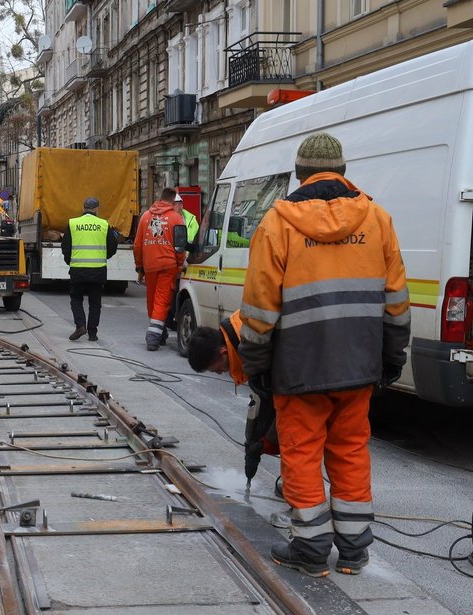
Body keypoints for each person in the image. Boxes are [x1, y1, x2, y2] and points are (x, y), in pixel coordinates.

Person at [240, 132, 410, 577]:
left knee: (301, 452)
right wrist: (392, 357)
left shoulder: (276, 224)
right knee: (351, 449)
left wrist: (256, 367)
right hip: (358, 365)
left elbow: (258, 309)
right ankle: (354, 551)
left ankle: (312, 551)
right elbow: (396, 301)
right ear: (343, 172)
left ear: (299, 175)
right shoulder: (378, 220)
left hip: (298, 368)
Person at [187, 310, 278, 490]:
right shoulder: (237, 329)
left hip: (313, 382)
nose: (221, 373)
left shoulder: (251, 350)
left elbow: (285, 407)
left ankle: (304, 504)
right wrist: (256, 439)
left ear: (223, 351)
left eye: (216, 369)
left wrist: (266, 441)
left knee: (297, 444)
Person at [133, 188, 186, 351]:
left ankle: (159, 331)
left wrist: (139, 266)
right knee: (162, 300)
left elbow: (137, 245)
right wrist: (180, 263)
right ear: (172, 201)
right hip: (168, 264)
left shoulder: (145, 217)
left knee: (152, 299)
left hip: (149, 265)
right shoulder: (176, 218)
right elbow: (180, 245)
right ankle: (153, 337)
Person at [61, 197, 118, 342]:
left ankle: (80, 325)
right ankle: (92, 333)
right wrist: (102, 257)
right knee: (95, 303)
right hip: (98, 270)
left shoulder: (73, 223)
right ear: (97, 209)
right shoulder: (104, 224)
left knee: (76, 299)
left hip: (77, 270)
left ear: (83, 208)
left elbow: (65, 247)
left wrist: (70, 261)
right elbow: (112, 247)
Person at [163, 192, 200, 340]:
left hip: (186, 262)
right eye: (172, 204)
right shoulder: (168, 218)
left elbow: (195, 239)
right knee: (169, 293)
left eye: (176, 204)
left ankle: (174, 318)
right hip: (171, 262)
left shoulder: (191, 220)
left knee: (180, 291)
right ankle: (168, 319)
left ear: (181, 205)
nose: (173, 207)